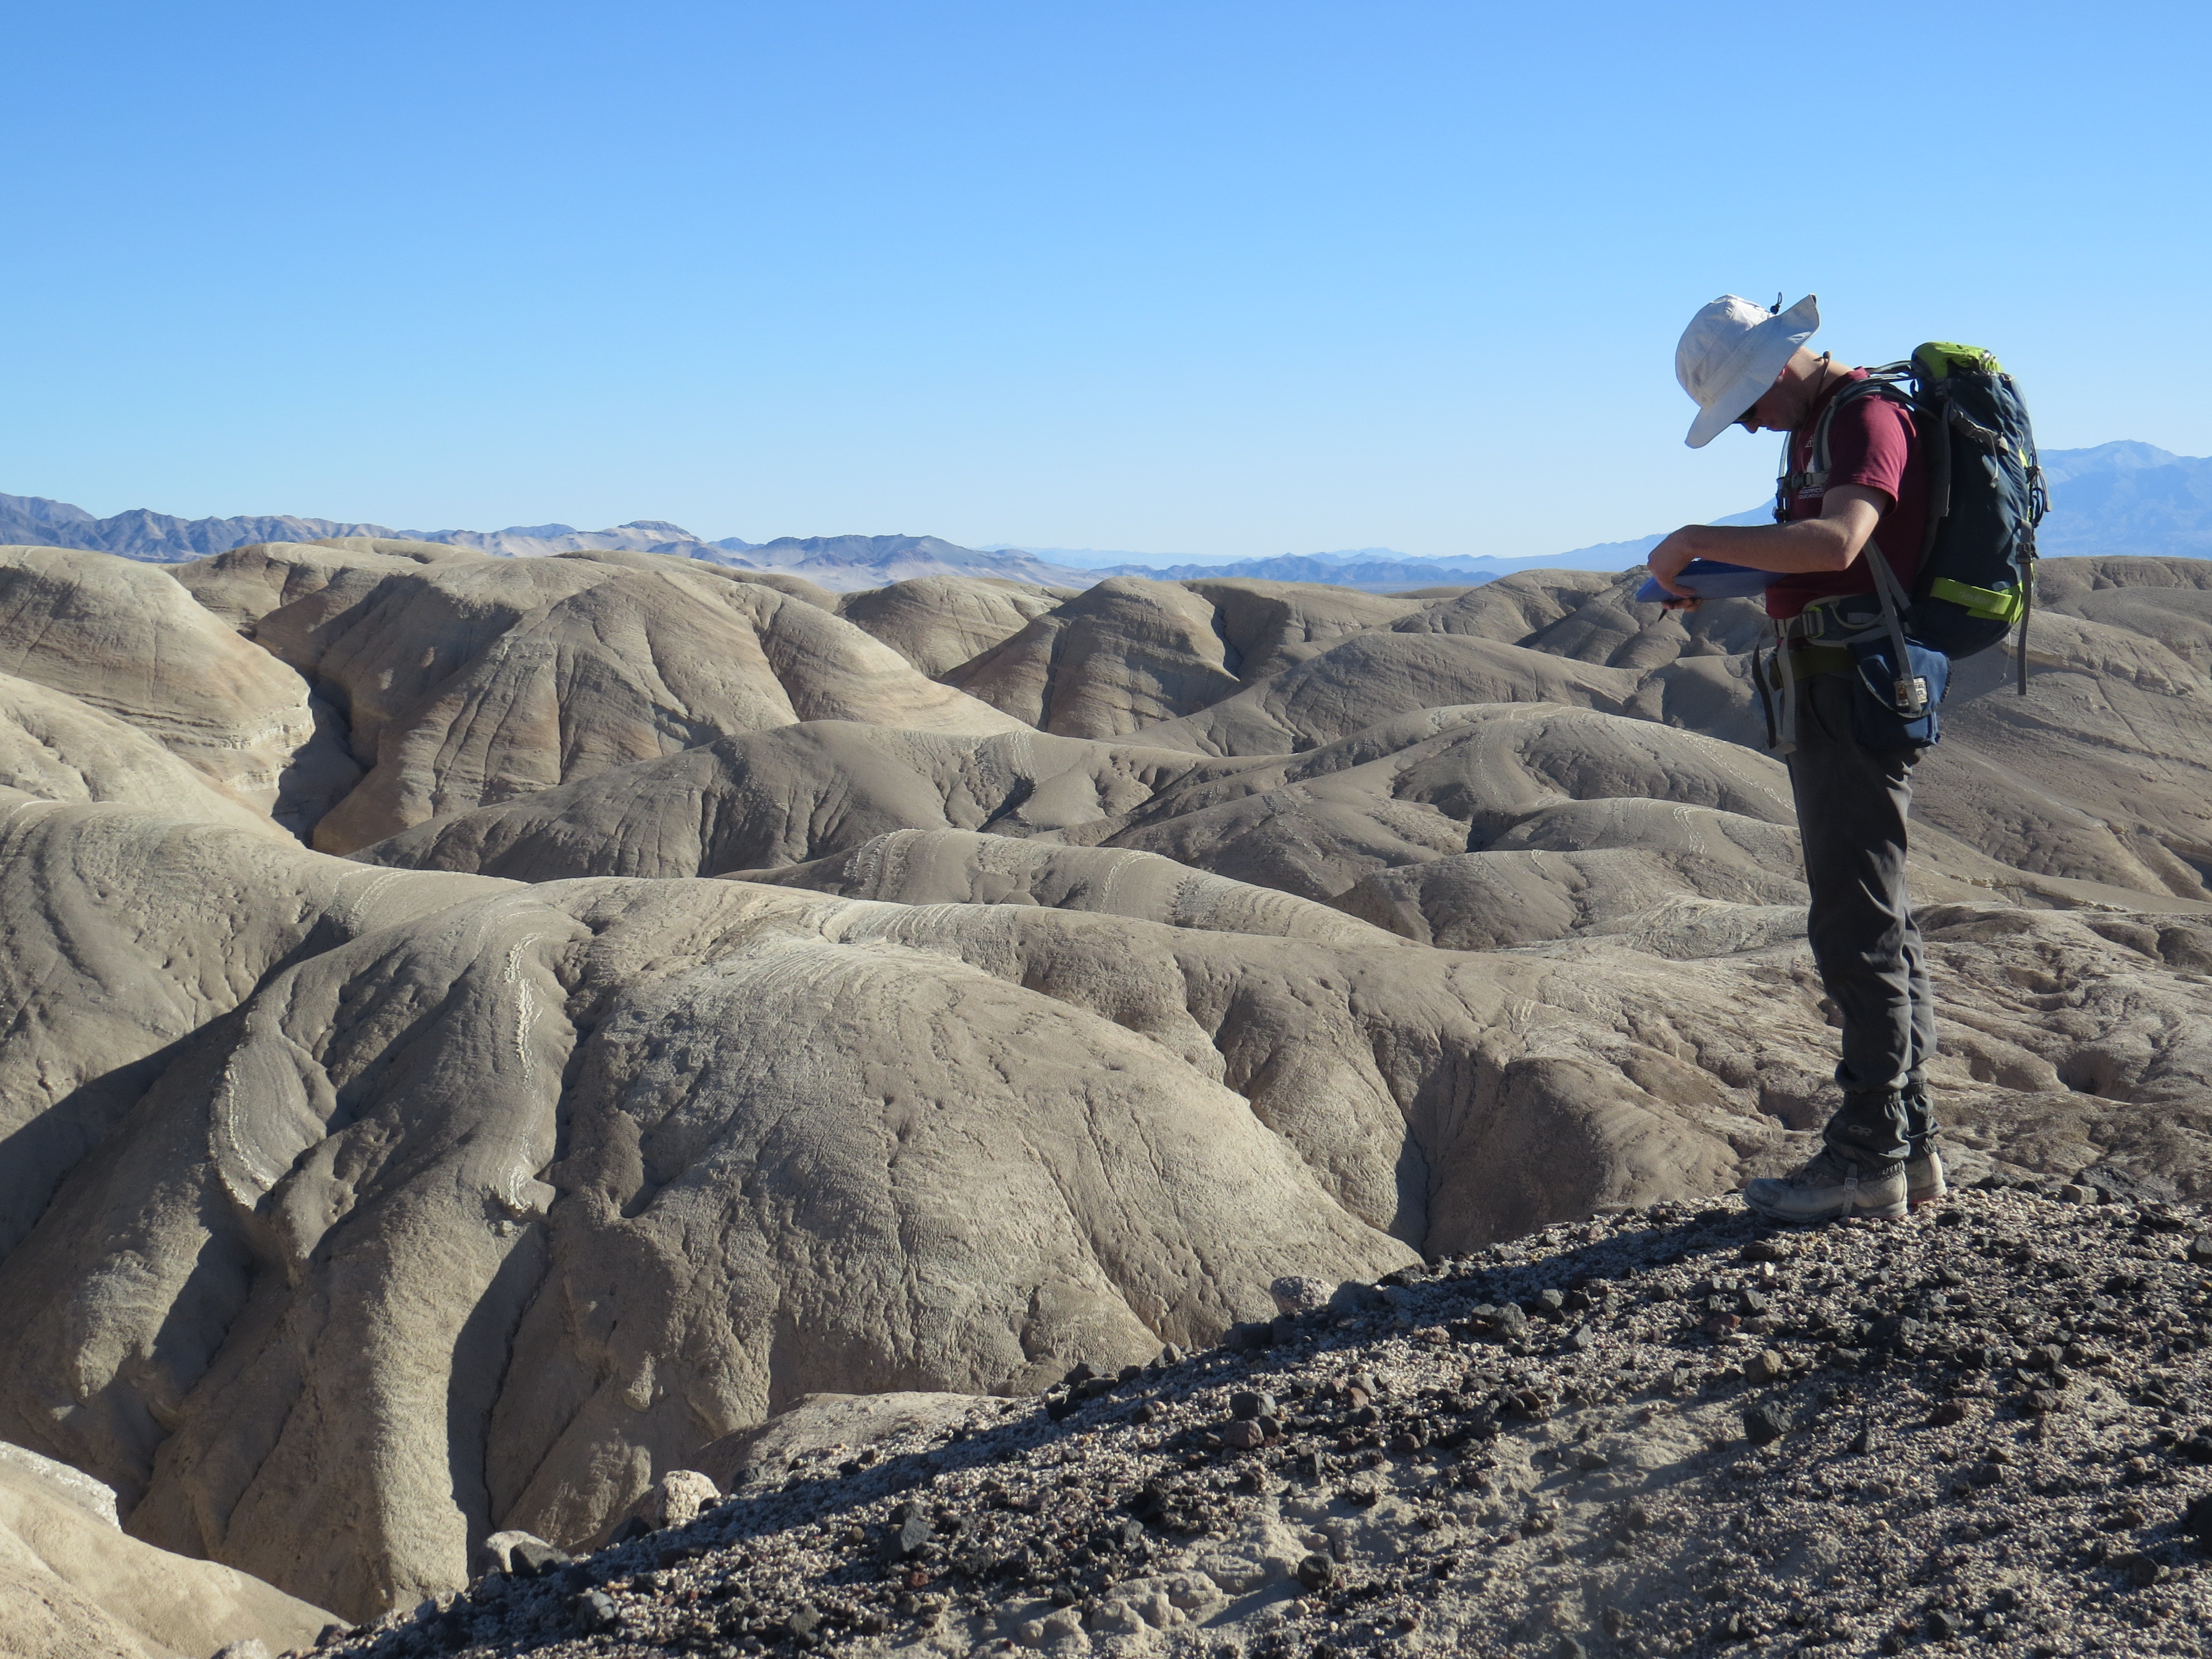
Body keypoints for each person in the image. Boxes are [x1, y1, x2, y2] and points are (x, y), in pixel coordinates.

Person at [1649, 293, 1942, 1224]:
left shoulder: (1864, 419)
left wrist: (1699, 540)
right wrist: (1721, 578)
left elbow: (1839, 540)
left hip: (1857, 693)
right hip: (1830, 682)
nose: (1748, 430)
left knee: (1856, 924)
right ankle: (1909, 1143)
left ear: (1776, 369)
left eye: (1745, 409)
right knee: (1876, 917)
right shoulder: (1816, 429)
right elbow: (1821, 562)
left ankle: (1868, 1154)